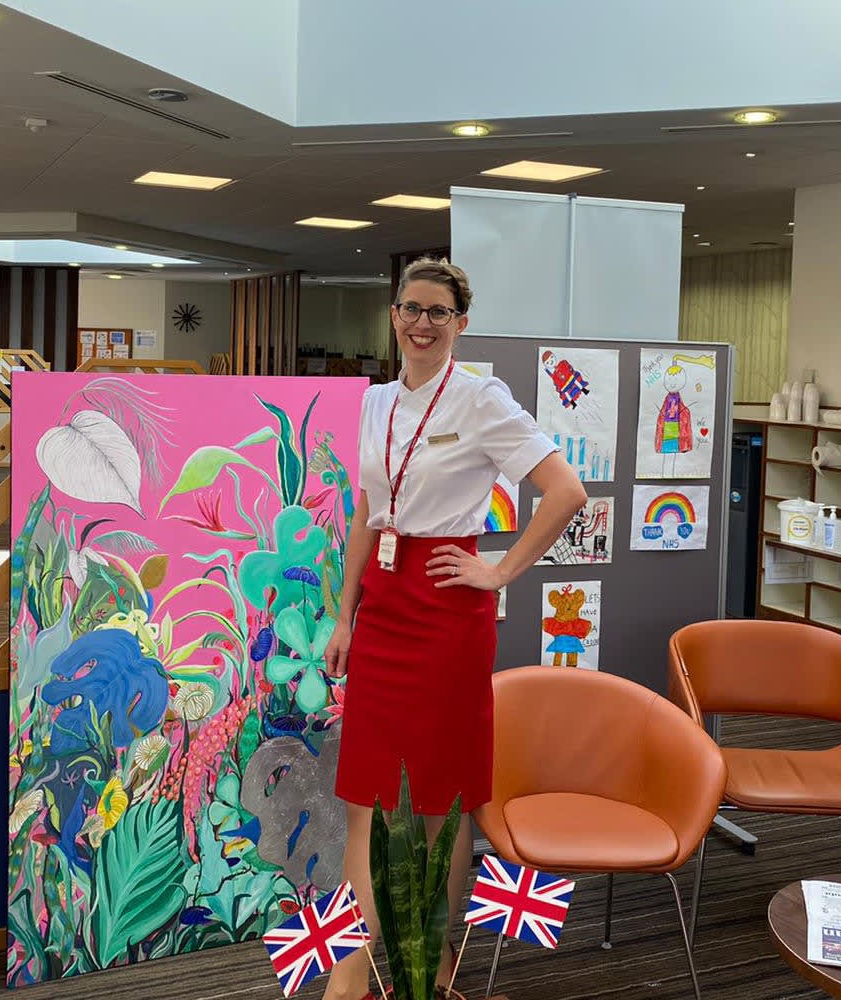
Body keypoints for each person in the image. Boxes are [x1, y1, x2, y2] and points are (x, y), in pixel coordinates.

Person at [323, 259, 587, 1000]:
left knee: (438, 803)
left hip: (446, 612)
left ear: (461, 323)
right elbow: (366, 515)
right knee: (366, 798)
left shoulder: (481, 401)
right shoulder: (375, 403)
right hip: (381, 609)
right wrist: (344, 614)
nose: (421, 323)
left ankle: (435, 965)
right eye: (410, 308)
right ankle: (352, 973)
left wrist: (500, 572)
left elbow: (565, 492)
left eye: (438, 312)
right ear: (394, 314)